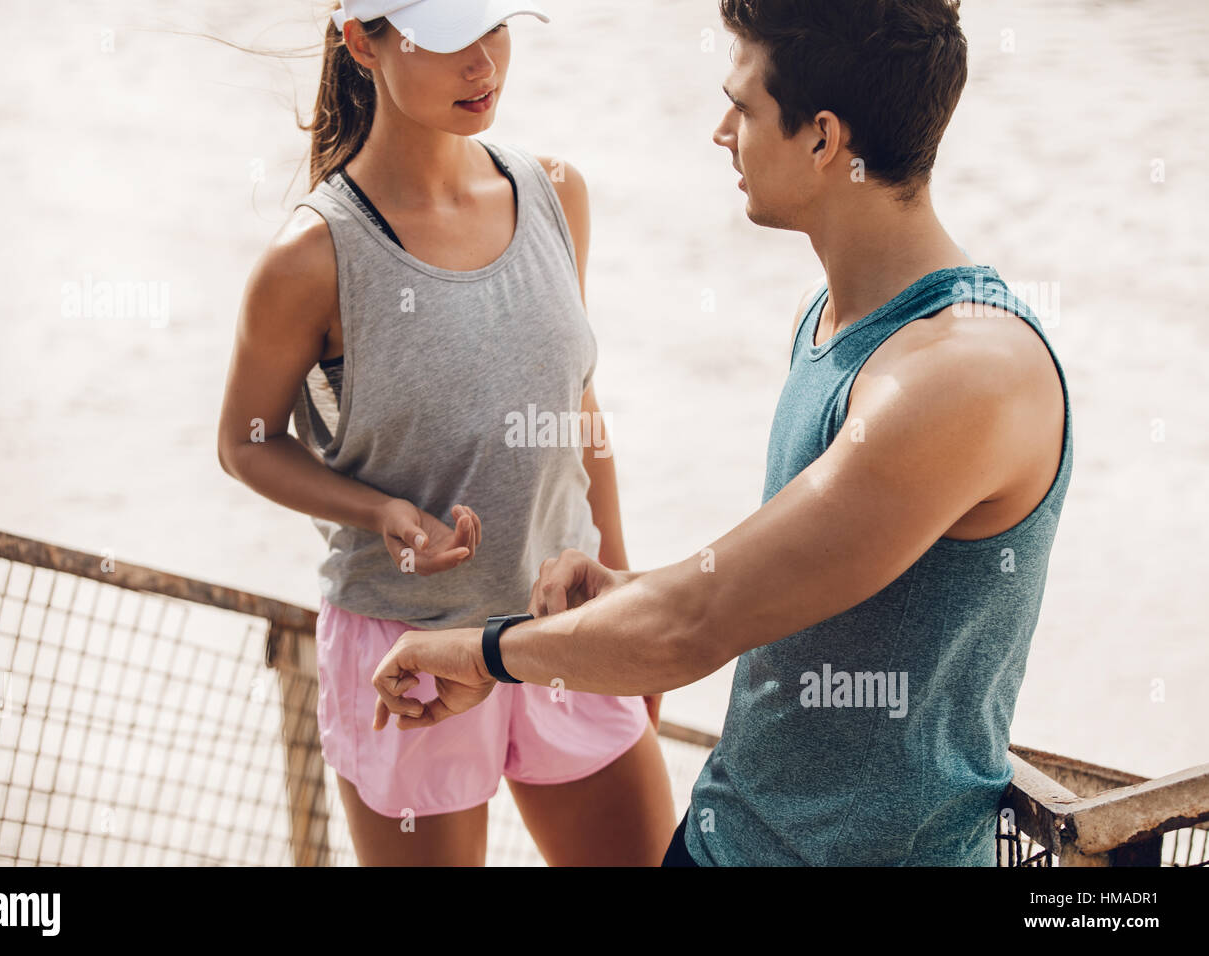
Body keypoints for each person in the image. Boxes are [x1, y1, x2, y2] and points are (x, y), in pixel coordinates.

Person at [371, 0, 1074, 867]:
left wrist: (482, 655)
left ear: (822, 140)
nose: (719, 132)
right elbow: (780, 586)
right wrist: (627, 587)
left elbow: (694, 626)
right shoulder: (831, 321)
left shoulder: (962, 376)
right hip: (724, 840)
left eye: (741, 108)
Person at [216, 0, 675, 866]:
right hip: (407, 655)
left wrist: (626, 604)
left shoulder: (556, 192)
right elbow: (244, 442)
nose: (483, 62)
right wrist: (379, 512)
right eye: (449, 36)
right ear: (363, 41)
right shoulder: (311, 257)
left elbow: (580, 411)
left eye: (494, 26)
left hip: (567, 628)